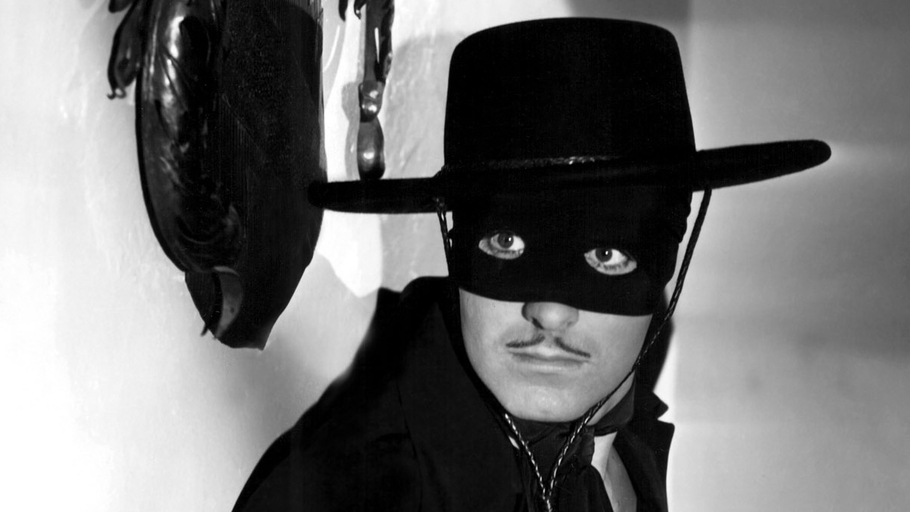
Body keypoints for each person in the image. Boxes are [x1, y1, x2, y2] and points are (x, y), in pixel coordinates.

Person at [232, 18, 830, 511]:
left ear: (665, 265)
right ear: (458, 242)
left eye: (606, 255)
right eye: (505, 244)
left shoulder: (622, 436)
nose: (548, 311)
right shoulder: (353, 493)